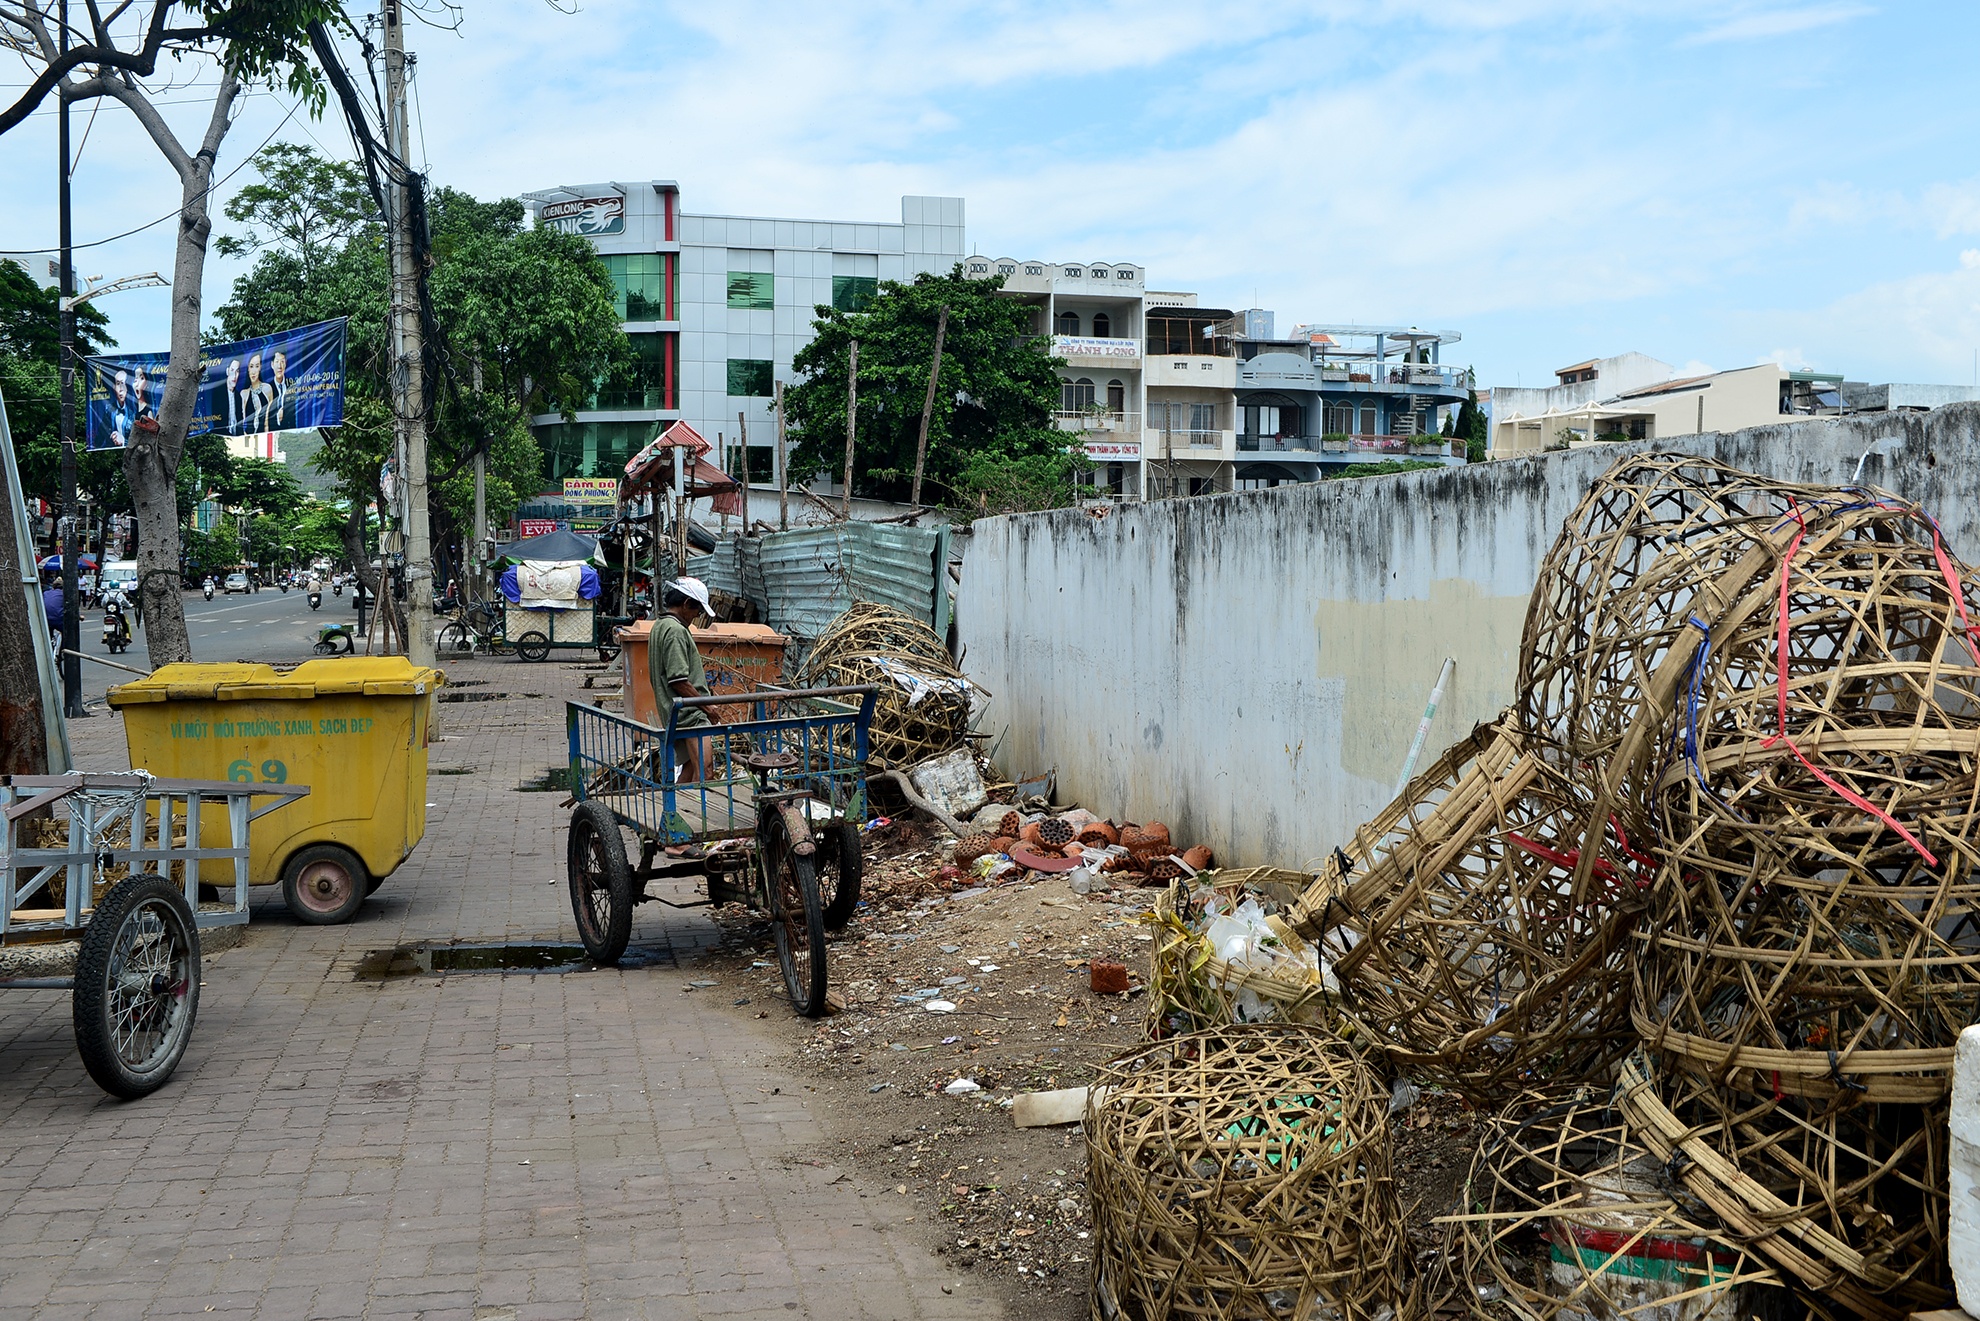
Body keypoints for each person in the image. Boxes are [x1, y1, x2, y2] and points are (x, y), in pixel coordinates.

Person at [648, 577, 719, 785]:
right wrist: (708, 708)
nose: (696, 617)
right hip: (691, 715)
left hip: (679, 712)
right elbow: (678, 680)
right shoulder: (676, 631)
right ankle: (700, 814)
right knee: (706, 773)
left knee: (689, 772)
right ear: (687, 604)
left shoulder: (661, 625)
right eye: (697, 612)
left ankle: (678, 810)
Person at [269, 348, 290, 430]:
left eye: (282, 362)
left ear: (285, 364)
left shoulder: (292, 386)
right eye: (277, 362)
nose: (279, 366)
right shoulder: (267, 388)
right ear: (272, 365)